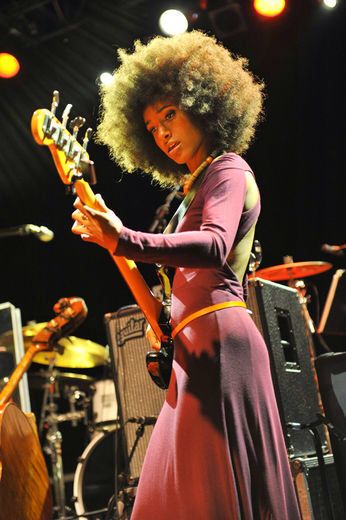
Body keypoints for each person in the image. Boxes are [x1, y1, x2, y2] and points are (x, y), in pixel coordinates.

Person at [72, 31, 301, 519]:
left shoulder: (228, 170)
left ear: (205, 104)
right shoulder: (188, 193)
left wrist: (126, 238)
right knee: (166, 501)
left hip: (220, 343)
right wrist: (110, 242)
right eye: (152, 127)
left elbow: (214, 246)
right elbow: (167, 301)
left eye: (170, 115)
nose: (162, 133)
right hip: (193, 351)